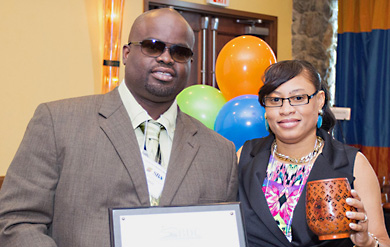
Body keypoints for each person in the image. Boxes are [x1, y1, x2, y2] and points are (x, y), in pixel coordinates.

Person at [0, 8, 238, 247]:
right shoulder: (57, 123)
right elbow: (17, 221)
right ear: (126, 53)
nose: (166, 58)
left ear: (190, 62)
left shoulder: (219, 153)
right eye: (153, 46)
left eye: (180, 52)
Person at [238, 60, 390, 246]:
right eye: (275, 100)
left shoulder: (352, 164)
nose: (286, 110)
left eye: (299, 98)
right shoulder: (244, 156)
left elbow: (382, 241)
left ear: (319, 101)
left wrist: (367, 242)